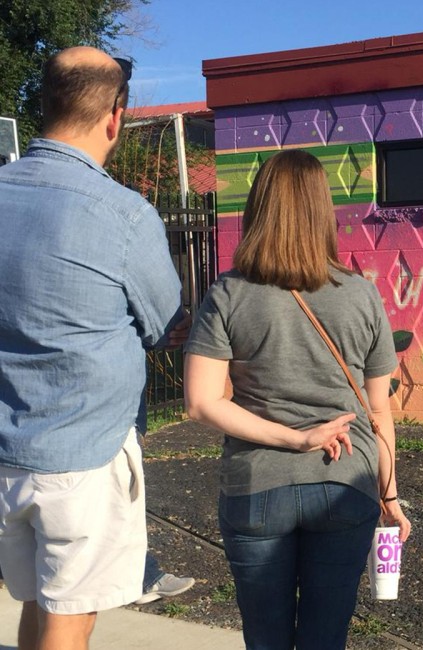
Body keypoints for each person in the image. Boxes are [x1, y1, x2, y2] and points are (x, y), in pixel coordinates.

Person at [183, 149, 411, 650]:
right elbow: (379, 412)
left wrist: (293, 438)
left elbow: (201, 403)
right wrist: (389, 496)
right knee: (325, 636)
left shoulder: (229, 293)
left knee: (265, 638)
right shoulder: (361, 294)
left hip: (257, 485)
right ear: (320, 211)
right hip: (346, 481)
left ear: (258, 209)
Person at [0, 47, 187, 650]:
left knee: (35, 602)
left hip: (5, 452)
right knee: (71, 617)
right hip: (83, 457)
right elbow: (163, 320)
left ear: (45, 106)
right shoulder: (123, 214)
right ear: (116, 116)